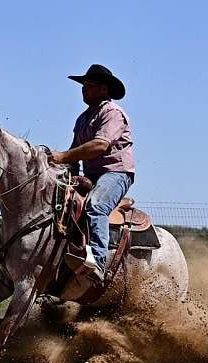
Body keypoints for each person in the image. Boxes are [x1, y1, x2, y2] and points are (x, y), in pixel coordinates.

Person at [47, 64, 135, 283]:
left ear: (104, 89)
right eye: (83, 85)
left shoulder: (113, 113)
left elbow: (99, 145)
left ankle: (97, 263)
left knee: (96, 206)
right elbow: (74, 155)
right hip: (92, 175)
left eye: (90, 85)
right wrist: (65, 172)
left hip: (116, 173)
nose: (84, 89)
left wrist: (62, 156)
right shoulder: (82, 119)